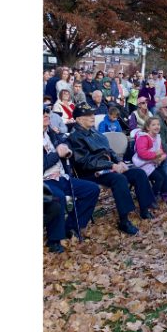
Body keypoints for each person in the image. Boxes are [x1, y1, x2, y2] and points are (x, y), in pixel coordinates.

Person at [68, 102, 157, 232]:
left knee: (138, 173)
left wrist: (119, 162)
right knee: (119, 179)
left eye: (93, 114)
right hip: (91, 173)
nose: (93, 117)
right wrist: (112, 165)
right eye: (88, 115)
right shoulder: (75, 137)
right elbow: (85, 162)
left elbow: (109, 150)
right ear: (78, 119)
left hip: (109, 167)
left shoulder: (94, 131)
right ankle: (124, 220)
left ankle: (144, 209)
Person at [43, 105, 100, 252]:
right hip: (44, 181)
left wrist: (65, 147)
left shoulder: (50, 133)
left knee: (92, 189)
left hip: (61, 177)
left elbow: (64, 142)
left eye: (46, 112)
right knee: (59, 197)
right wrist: (57, 153)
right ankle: (54, 240)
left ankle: (72, 227)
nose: (45, 114)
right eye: (41, 113)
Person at [131, 116, 167, 205]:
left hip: (153, 162)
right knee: (159, 178)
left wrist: (163, 157)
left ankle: (164, 193)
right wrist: (155, 155)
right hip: (142, 164)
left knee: (164, 175)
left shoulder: (157, 137)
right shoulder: (143, 137)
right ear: (147, 127)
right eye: (153, 125)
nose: (157, 126)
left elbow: (161, 150)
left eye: (158, 124)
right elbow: (141, 153)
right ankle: (150, 198)